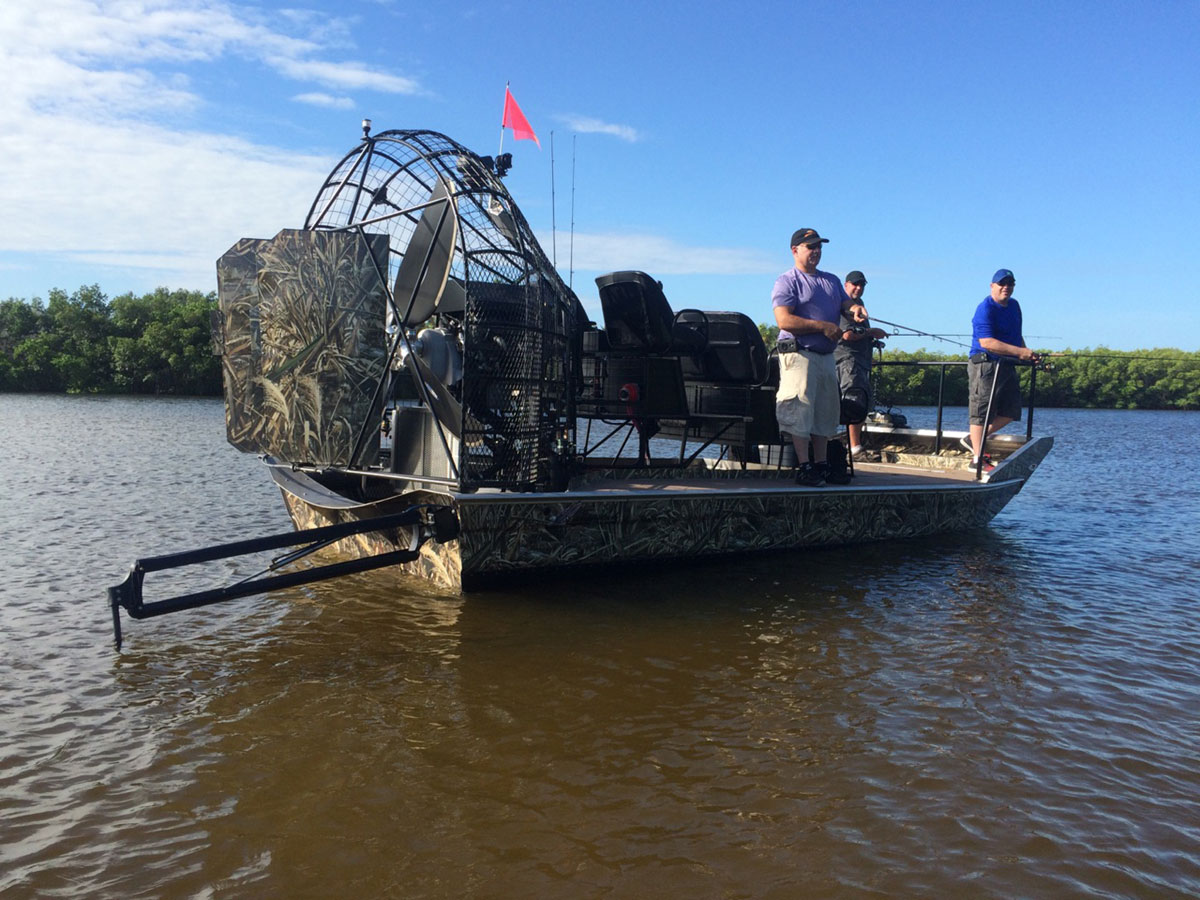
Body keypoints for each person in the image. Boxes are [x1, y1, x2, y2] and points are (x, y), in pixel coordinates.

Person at [772, 228, 868, 485]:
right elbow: (783, 319)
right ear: (795, 250)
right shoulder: (787, 280)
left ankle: (822, 464)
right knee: (800, 409)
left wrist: (855, 309)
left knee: (826, 412)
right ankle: (804, 467)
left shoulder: (831, 280)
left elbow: (844, 305)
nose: (816, 251)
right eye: (810, 247)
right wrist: (822, 327)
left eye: (819, 247)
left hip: (826, 356)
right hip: (798, 353)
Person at [963, 268, 1037, 470]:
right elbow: (987, 342)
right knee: (980, 411)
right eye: (1002, 284)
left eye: (1010, 284)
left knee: (1012, 411)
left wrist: (1026, 353)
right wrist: (1019, 352)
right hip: (984, 365)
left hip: (1006, 364)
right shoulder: (985, 308)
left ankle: (974, 439)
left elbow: (1016, 336)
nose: (1006, 287)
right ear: (992, 286)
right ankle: (977, 460)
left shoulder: (1014, 306)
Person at [834, 270, 888, 458]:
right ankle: (854, 448)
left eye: (862, 285)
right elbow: (847, 335)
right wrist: (872, 332)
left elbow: (858, 332)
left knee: (861, 403)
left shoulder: (860, 305)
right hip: (847, 362)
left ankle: (854, 445)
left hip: (861, 361)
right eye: (855, 284)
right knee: (853, 403)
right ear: (846, 284)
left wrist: (872, 341)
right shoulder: (842, 306)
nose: (859, 288)